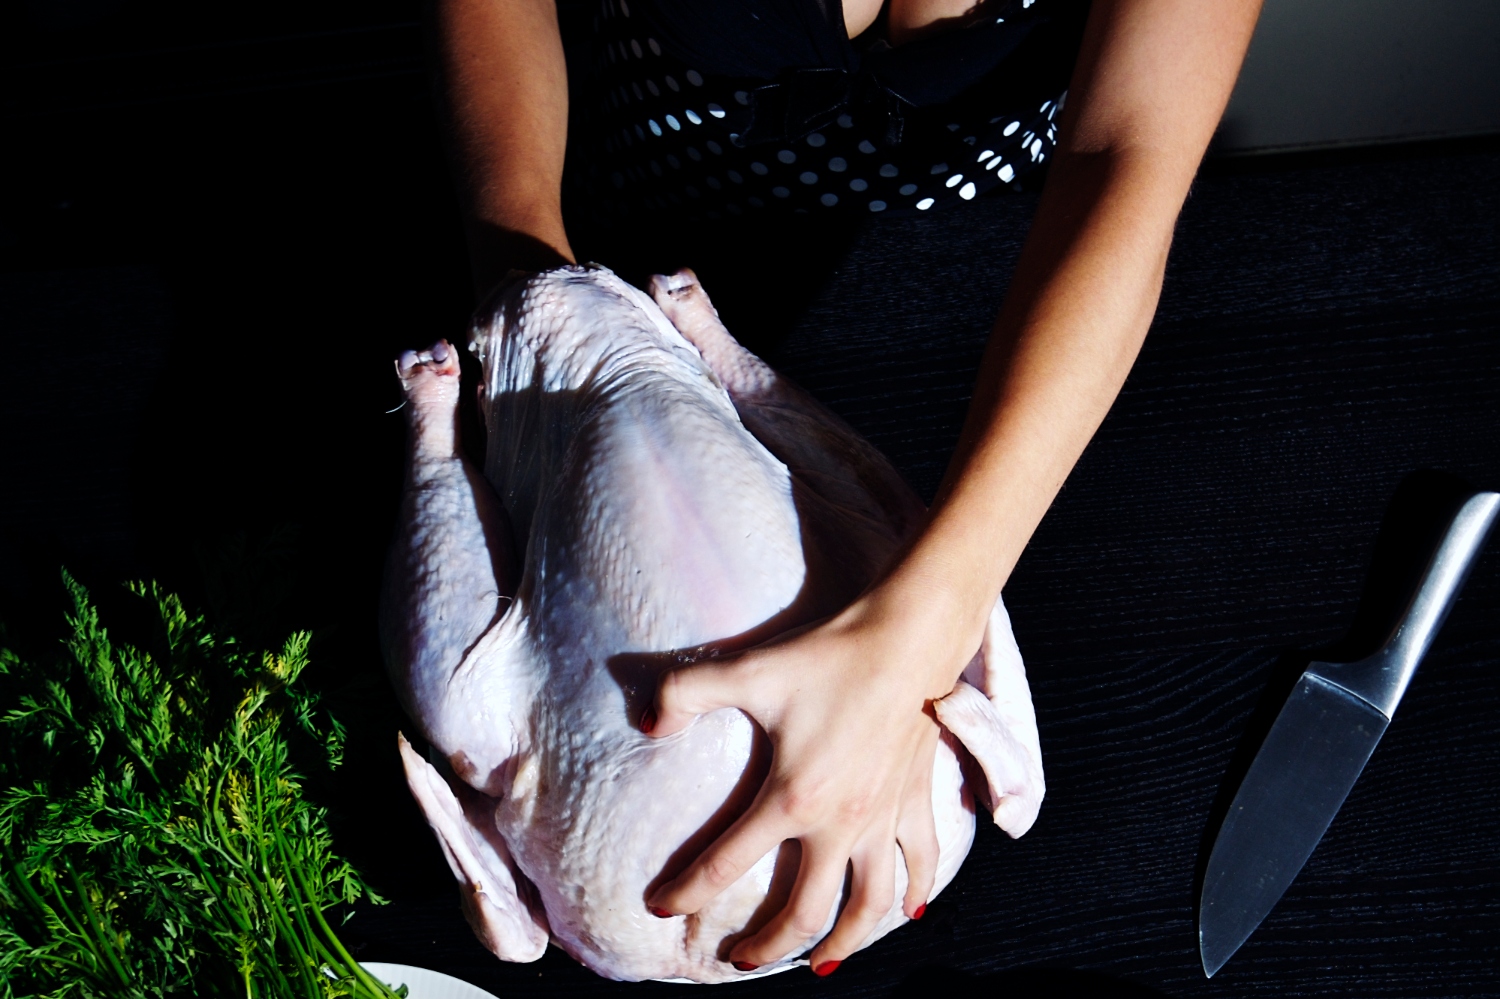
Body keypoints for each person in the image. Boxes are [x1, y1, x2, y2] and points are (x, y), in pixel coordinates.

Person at [435, 0, 1263, 977]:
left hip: (1003, 323)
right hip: (631, 250)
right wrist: (532, 295)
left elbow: (1122, 159)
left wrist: (927, 623)